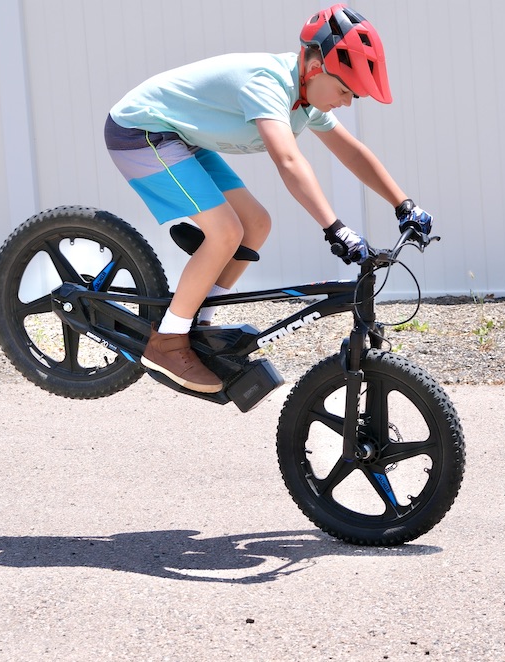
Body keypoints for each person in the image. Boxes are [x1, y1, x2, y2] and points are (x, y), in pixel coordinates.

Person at [104, 3, 433, 394]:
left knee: (256, 224)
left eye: (353, 95)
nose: (347, 101)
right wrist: (335, 228)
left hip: (182, 138)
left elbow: (352, 152)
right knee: (225, 231)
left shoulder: (305, 100)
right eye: (344, 89)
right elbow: (288, 160)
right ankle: (168, 342)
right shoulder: (269, 84)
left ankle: (199, 322)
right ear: (313, 67)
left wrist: (403, 204)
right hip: (140, 131)